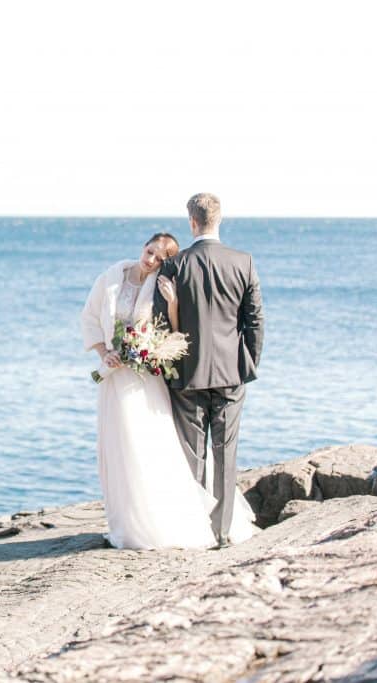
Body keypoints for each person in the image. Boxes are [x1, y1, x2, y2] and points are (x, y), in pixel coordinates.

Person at [81, 232, 256, 550]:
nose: (151, 261)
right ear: (143, 246)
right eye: (149, 252)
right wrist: (103, 352)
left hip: (145, 379)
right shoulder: (112, 276)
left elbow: (174, 333)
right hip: (113, 377)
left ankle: (155, 522)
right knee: (115, 450)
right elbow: (91, 318)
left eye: (160, 258)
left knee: (143, 447)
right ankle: (124, 520)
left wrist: (172, 303)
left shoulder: (163, 283)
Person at [153, 193, 264, 548]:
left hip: (187, 373)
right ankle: (223, 531)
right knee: (226, 454)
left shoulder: (175, 265)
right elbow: (255, 321)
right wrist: (248, 363)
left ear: (192, 222)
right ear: (219, 220)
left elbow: (160, 325)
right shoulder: (242, 262)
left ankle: (195, 527)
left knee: (192, 455)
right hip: (231, 373)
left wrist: (169, 368)